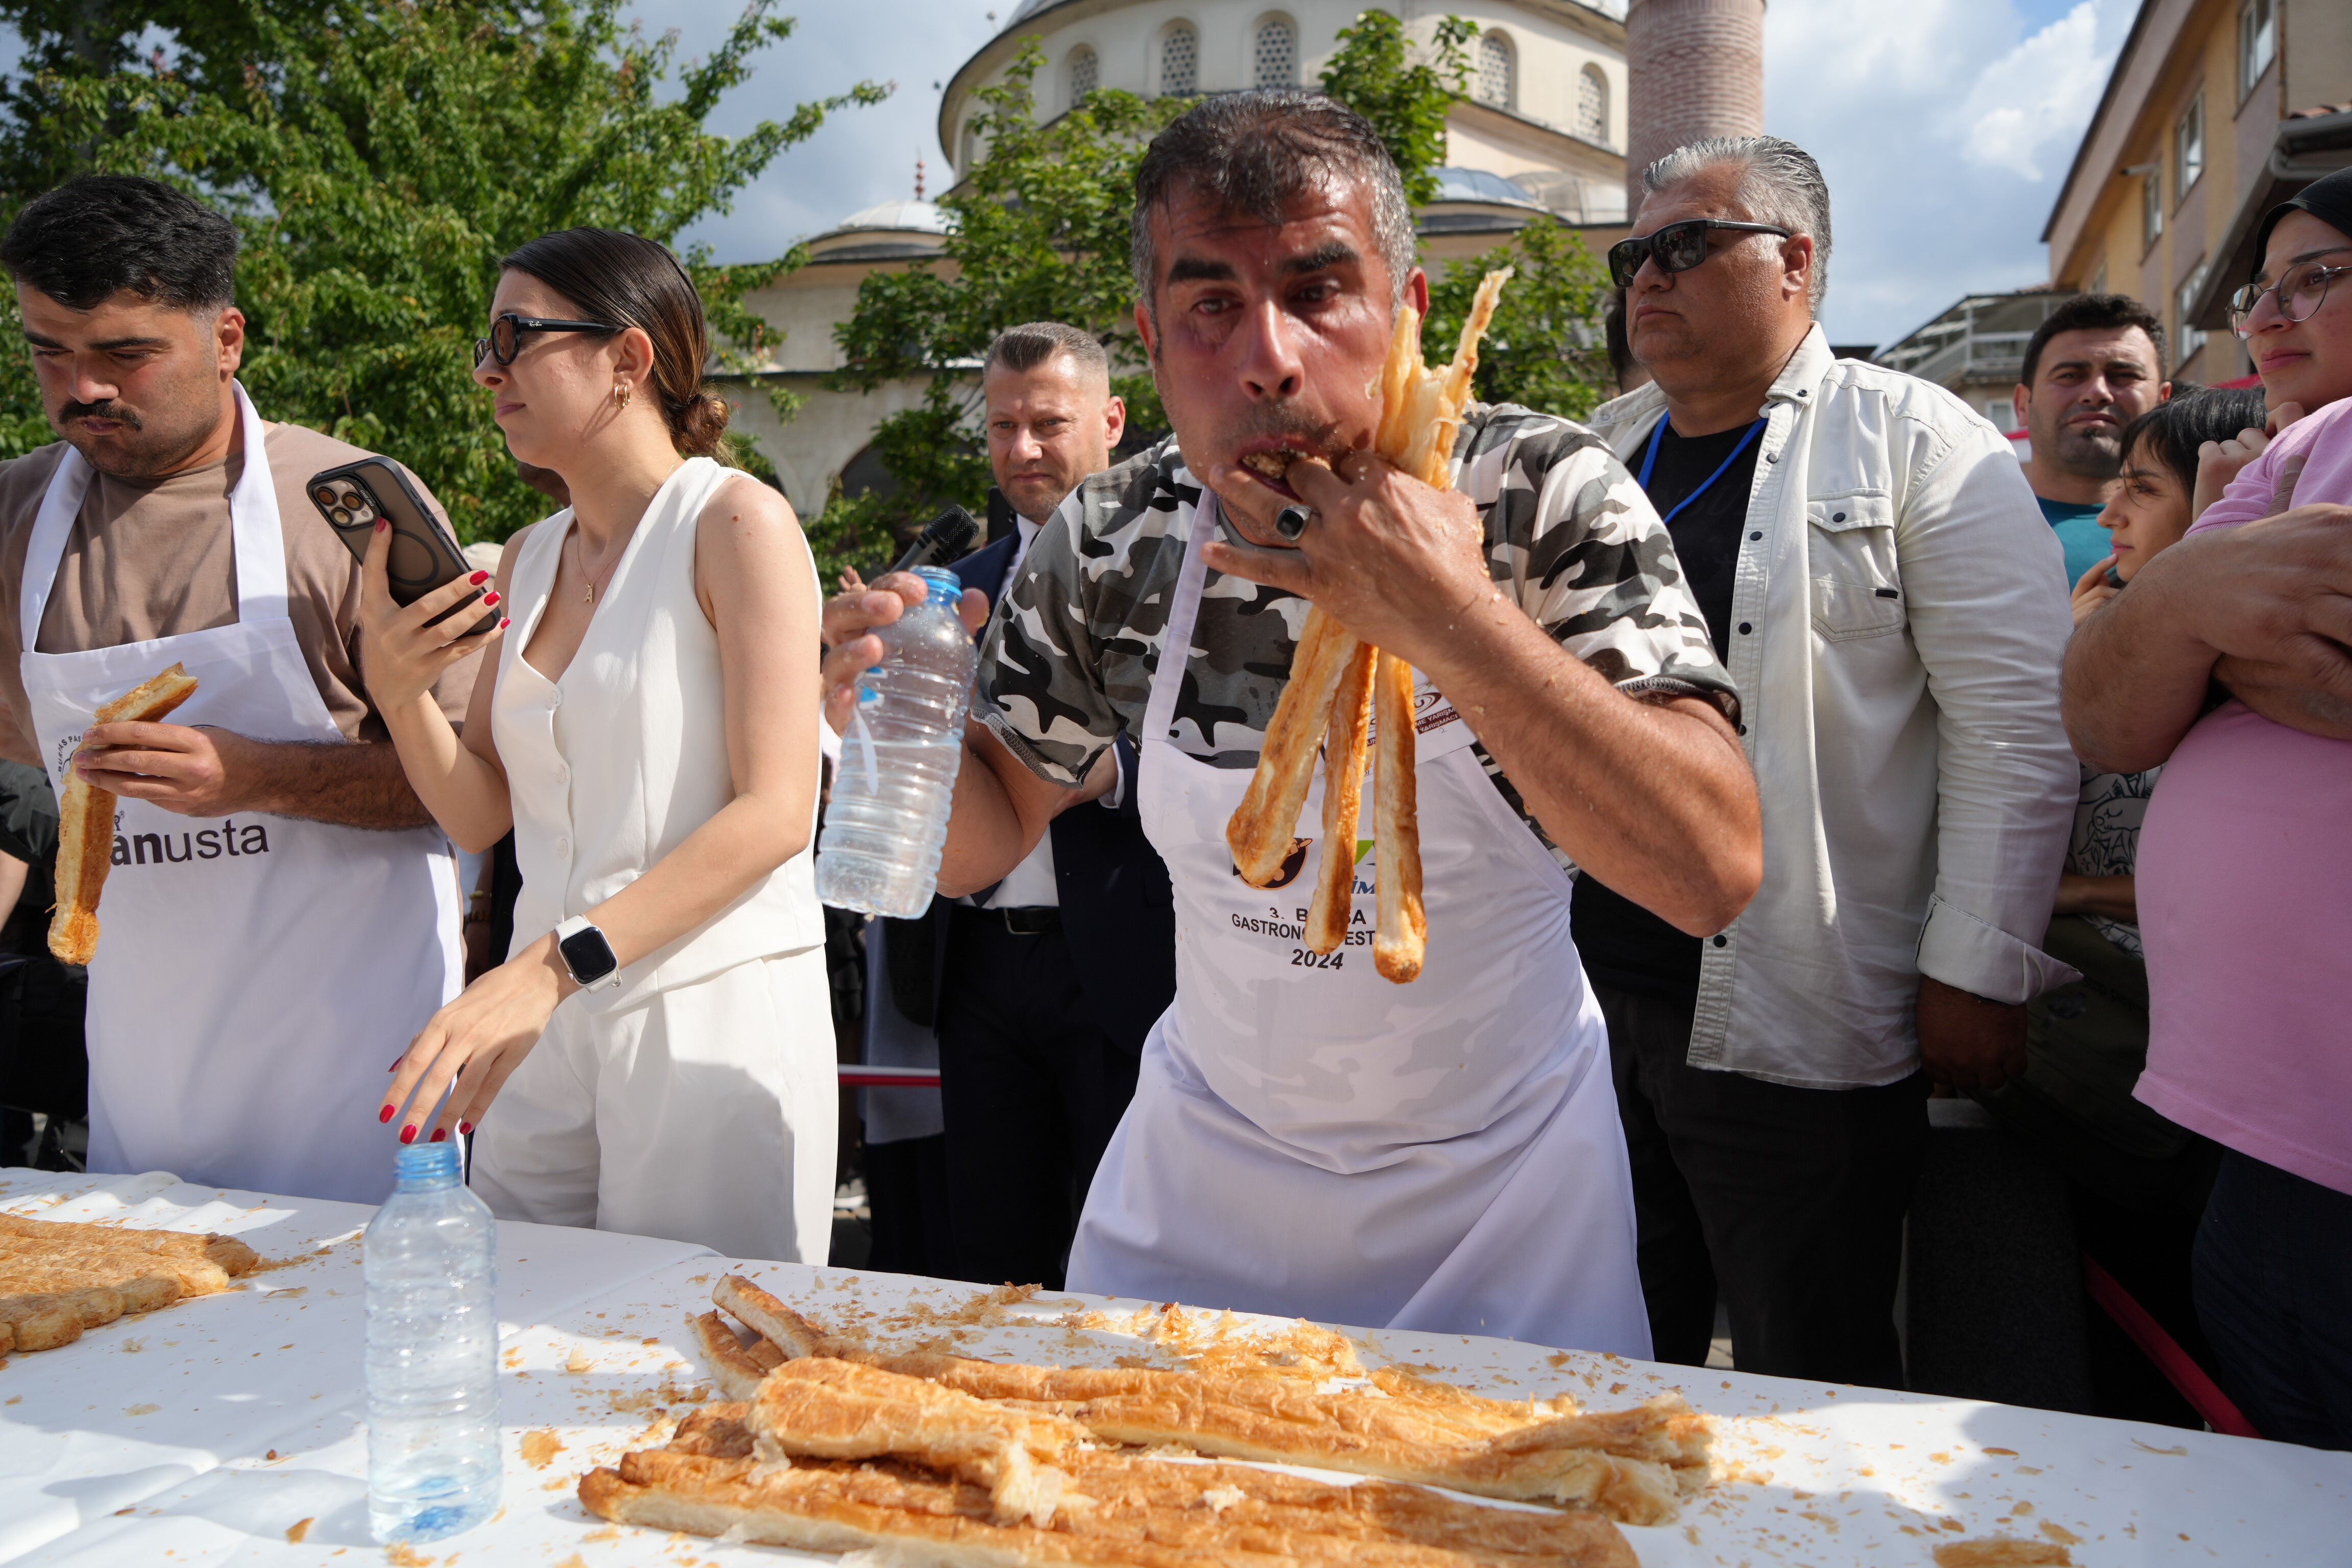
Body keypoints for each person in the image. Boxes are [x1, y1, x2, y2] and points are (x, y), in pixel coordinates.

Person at [824, 91, 1760, 1353]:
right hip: (1206, 1186)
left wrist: (1453, 618)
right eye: (1210, 306)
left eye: (1318, 291)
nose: (1268, 356)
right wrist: (891, 721)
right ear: (1153, 345)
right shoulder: (1114, 538)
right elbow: (985, 833)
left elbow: (1708, 870)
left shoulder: (1539, 497)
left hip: (1504, 1200)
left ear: (1407, 309)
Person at [1578, 136, 2079, 1386]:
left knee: (1809, 1372)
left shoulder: (1917, 439)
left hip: (1795, 1007)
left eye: (1685, 244)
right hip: (1584, 998)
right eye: (1633, 254)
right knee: (1607, 1353)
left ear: (1794, 259)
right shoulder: (1592, 453)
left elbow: (2015, 725)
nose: (1648, 275)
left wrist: (1979, 966)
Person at [0, 175, 471, 1204]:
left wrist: (258, 777)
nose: (82, 387)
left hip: (357, 1082)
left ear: (226, 339)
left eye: (125, 353)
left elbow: (479, 792)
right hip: (140, 1083)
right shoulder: (17, 518)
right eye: (49, 352)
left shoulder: (356, 511)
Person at [368, 227, 833, 1263]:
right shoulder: (528, 558)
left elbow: (776, 813)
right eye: (485, 344)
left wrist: (552, 966)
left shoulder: (738, 523)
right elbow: (482, 812)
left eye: (515, 337)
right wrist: (400, 695)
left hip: (706, 1011)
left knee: (693, 1345)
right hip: (540, 1018)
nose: (487, 371)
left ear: (630, 356)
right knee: (525, 1326)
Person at [2064, 166, 2352, 1448]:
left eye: (2317, 278)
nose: (2271, 313)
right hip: (2269, 1125)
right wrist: (2189, 611)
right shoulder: (2288, 449)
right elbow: (2106, 702)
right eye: (2259, 290)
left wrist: (2186, 633)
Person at [859, 321, 1175, 1289]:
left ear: (1112, 422)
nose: (1023, 448)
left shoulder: (1174, 571)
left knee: (1123, 1263)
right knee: (990, 1262)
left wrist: (1108, 772)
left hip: (1125, 958)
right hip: (975, 968)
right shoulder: (953, 593)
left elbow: (1227, 745)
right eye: (1003, 426)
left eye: (1048, 423)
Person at [2011, 293, 2171, 585]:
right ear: (2023, 404)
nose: (2097, 392)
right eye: (2069, 375)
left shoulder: (2205, 525)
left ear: (2164, 401)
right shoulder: (1963, 528)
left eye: (2124, 375)